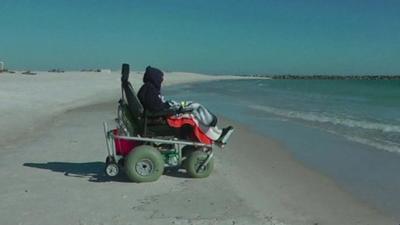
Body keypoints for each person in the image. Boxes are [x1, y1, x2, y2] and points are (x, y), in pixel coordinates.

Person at [137, 66, 233, 145]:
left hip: (163, 114)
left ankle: (217, 131)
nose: (161, 81)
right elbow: (157, 108)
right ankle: (216, 136)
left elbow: (157, 106)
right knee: (194, 116)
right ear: (155, 78)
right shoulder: (149, 90)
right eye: (160, 78)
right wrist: (174, 110)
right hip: (163, 117)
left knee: (194, 107)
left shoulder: (149, 88)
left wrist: (170, 106)